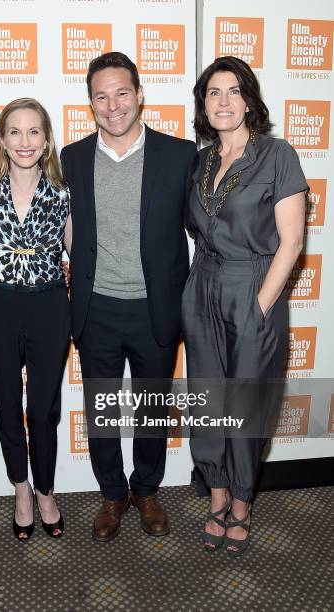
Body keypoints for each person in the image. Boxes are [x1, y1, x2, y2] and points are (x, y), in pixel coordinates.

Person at [60, 52, 197, 542]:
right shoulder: (72, 158)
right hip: (95, 309)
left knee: (151, 408)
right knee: (102, 410)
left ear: (140, 95)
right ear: (90, 103)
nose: (112, 104)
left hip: (156, 309)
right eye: (101, 96)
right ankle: (112, 494)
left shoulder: (181, 155)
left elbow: (207, 230)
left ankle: (147, 490)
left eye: (122, 92)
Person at [182, 56, 307, 555]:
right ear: (203, 104)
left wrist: (259, 306)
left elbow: (292, 241)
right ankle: (216, 494)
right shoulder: (201, 159)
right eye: (214, 92)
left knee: (247, 403)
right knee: (208, 397)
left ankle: (241, 505)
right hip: (202, 286)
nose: (224, 101)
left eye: (234, 91)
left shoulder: (277, 155)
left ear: (250, 99)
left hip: (254, 285)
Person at [0, 98, 72, 541]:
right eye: (14, 132)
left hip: (50, 307)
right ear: (2, 140)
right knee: (8, 404)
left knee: (43, 409)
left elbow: (80, 255)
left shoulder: (64, 193)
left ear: (46, 140)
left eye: (33, 132)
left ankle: (46, 489)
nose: (24, 141)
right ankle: (21, 489)